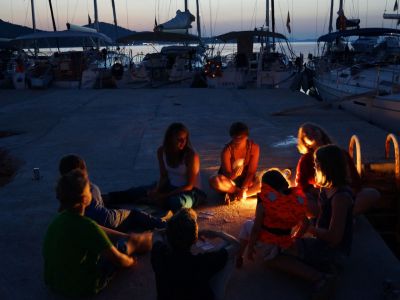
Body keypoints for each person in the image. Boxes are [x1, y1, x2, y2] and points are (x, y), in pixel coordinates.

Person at [262, 145, 354, 300]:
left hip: (334, 252)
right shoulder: (326, 189)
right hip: (321, 242)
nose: (314, 167)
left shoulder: (340, 197)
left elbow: (334, 238)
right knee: (276, 243)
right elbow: (320, 217)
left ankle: (321, 278)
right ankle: (320, 269)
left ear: (327, 168)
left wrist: (310, 229)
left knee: (271, 256)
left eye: (317, 164)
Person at [43, 169, 152, 297]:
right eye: (89, 190)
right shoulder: (88, 227)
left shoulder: (58, 221)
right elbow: (116, 259)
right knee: (122, 248)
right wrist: (131, 261)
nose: (91, 191)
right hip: (82, 287)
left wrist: (123, 235)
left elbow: (93, 228)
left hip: (53, 282)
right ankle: (139, 242)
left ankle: (132, 239)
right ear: (84, 199)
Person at [108, 123, 206, 213]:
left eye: (185, 139)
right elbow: (164, 176)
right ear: (170, 139)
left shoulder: (191, 156)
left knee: (177, 203)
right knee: (138, 191)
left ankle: (153, 202)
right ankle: (106, 198)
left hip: (191, 192)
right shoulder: (161, 151)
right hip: (170, 186)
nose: (183, 142)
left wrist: (163, 195)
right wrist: (157, 191)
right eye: (179, 139)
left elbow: (189, 185)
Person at [58, 154, 168, 232]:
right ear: (83, 171)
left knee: (116, 202)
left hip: (98, 215)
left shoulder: (67, 194)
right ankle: (162, 224)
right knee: (133, 213)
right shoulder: (90, 187)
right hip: (106, 219)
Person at [151, 208, 240, 300]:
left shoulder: (159, 253)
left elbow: (156, 233)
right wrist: (217, 233)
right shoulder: (202, 262)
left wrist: (176, 230)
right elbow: (236, 245)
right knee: (226, 247)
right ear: (194, 240)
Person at [295, 122, 380, 216]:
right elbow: (301, 185)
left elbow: (356, 182)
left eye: (314, 129)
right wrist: (322, 194)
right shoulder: (305, 160)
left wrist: (342, 195)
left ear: (321, 133)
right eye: (306, 133)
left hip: (343, 196)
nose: (311, 133)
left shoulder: (341, 153)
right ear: (305, 142)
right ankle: (332, 216)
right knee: (297, 198)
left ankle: (342, 215)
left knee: (372, 193)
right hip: (320, 199)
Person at [236, 168, 308, 268]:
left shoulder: (264, 202)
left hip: (268, 245)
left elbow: (256, 229)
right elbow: (306, 223)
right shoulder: (293, 201)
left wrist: (250, 247)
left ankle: (239, 256)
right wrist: (295, 237)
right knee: (256, 220)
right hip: (285, 244)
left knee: (247, 225)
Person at [209, 122, 260, 204]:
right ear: (231, 136)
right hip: (230, 183)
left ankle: (240, 194)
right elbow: (227, 175)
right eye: (235, 138)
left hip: (246, 180)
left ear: (247, 136)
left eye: (241, 138)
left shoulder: (254, 148)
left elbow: (251, 172)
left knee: (264, 181)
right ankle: (239, 193)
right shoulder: (227, 151)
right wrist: (234, 175)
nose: (238, 140)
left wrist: (244, 187)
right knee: (214, 181)